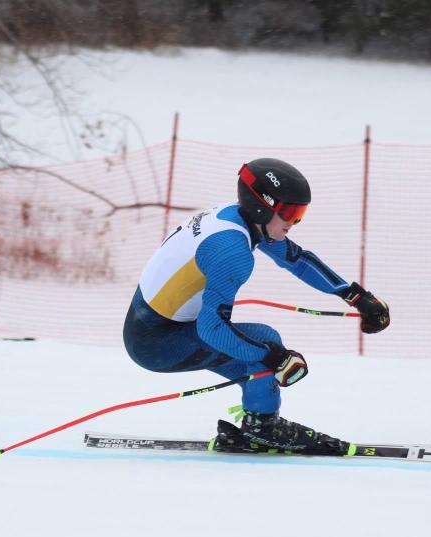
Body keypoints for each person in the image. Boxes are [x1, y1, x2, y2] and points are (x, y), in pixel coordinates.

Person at [123, 158, 390, 455]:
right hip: (156, 342)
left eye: (300, 214)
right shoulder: (232, 251)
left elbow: (297, 260)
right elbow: (211, 328)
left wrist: (355, 296)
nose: (293, 223)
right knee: (264, 341)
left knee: (260, 348)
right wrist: (275, 358)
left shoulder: (238, 218)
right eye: (289, 213)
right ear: (263, 206)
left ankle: (258, 425)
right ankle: (263, 428)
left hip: (160, 326)